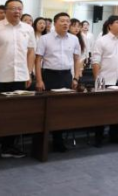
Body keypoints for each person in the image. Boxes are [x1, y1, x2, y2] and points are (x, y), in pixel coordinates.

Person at [0, 0, 36, 163]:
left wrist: (28, 73)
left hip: (20, 78)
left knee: (15, 115)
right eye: (13, 8)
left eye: (19, 8)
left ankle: (8, 147)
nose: (17, 11)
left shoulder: (27, 29)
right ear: (5, 11)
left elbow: (31, 52)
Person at [35, 12, 82, 153]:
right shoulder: (45, 39)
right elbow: (38, 60)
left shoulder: (74, 39)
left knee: (62, 109)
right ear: (55, 23)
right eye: (62, 21)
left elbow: (77, 59)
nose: (65, 23)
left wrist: (76, 78)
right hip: (49, 76)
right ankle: (42, 140)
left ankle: (58, 140)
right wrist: (39, 80)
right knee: (47, 109)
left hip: (66, 76)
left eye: (67, 21)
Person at [91, 15, 118, 147]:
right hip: (105, 80)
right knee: (101, 111)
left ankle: (114, 135)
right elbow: (96, 61)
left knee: (117, 109)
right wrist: (97, 79)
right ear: (109, 25)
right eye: (117, 22)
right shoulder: (101, 40)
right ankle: (98, 137)